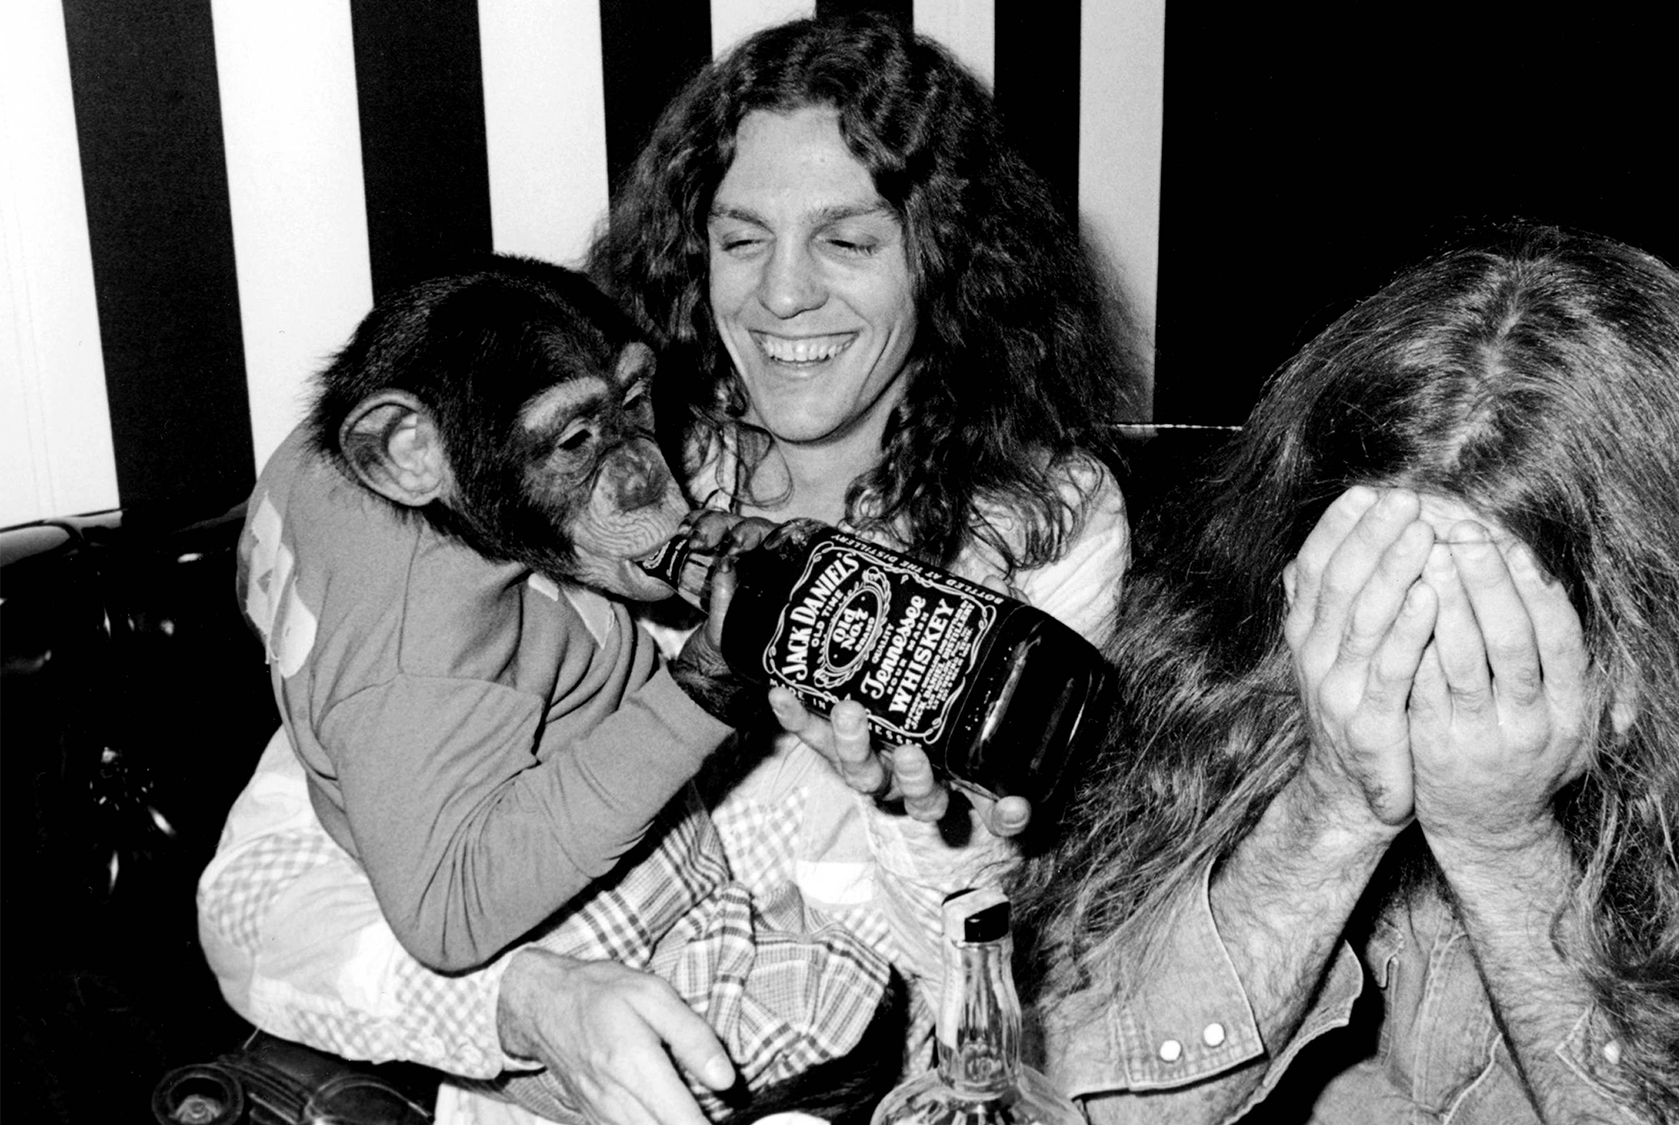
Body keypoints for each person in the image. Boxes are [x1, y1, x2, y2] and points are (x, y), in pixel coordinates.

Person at [197, 13, 1132, 1125]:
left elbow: (978, 988)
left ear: (943, 256)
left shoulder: (1043, 519)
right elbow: (255, 900)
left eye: (846, 240)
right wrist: (523, 1004)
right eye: (741, 240)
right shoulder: (557, 474)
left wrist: (912, 818)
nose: (781, 295)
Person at [1015, 225, 1679, 1123]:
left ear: (1665, 626)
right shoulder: (1226, 677)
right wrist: (1332, 810)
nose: (1423, 674)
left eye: (1501, 635)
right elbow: (1059, 1104)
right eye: (1379, 602)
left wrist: (1499, 846)